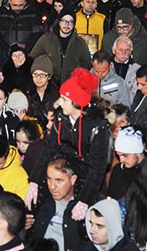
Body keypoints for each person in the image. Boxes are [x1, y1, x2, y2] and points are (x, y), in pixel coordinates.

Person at [27, 69, 110, 220]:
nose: (59, 103)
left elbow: (98, 168)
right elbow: (48, 151)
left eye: (64, 99)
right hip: (65, 171)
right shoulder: (61, 118)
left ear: (76, 102)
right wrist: (34, 181)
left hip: (87, 180)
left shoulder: (97, 127)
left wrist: (84, 200)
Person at [28, 158, 85, 251]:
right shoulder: (40, 199)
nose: (52, 186)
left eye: (59, 180)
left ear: (73, 179)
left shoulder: (82, 207)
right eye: (49, 179)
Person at [30, 9, 92, 83]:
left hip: (71, 84)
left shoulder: (80, 43)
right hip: (50, 84)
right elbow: (33, 58)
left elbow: (87, 65)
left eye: (70, 22)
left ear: (74, 24)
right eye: (64, 21)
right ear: (59, 22)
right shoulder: (46, 39)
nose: (66, 25)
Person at [107, 127, 146, 200]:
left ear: (137, 152)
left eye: (125, 155)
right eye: (118, 155)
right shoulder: (118, 170)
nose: (121, 160)